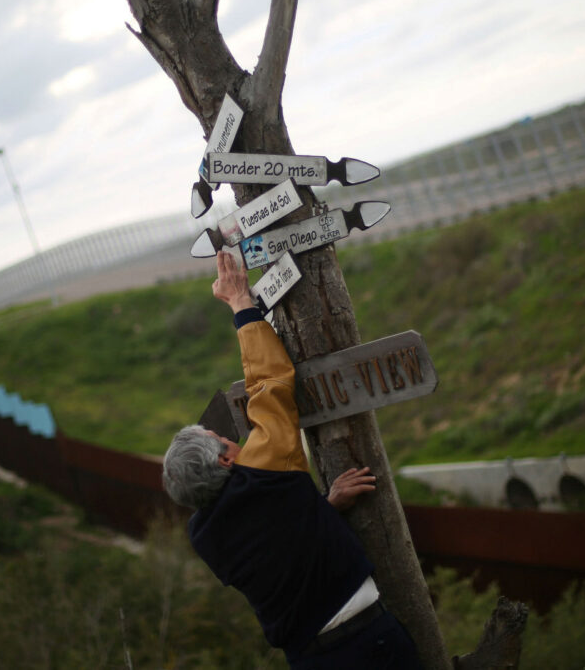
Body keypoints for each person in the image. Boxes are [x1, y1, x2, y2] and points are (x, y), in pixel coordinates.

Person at [163, 250, 423, 669]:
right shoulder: (265, 475)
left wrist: (320, 509)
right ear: (227, 463)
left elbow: (276, 546)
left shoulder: (205, 537)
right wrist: (239, 304)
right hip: (370, 646)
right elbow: (268, 383)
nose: (235, 440)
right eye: (226, 441)